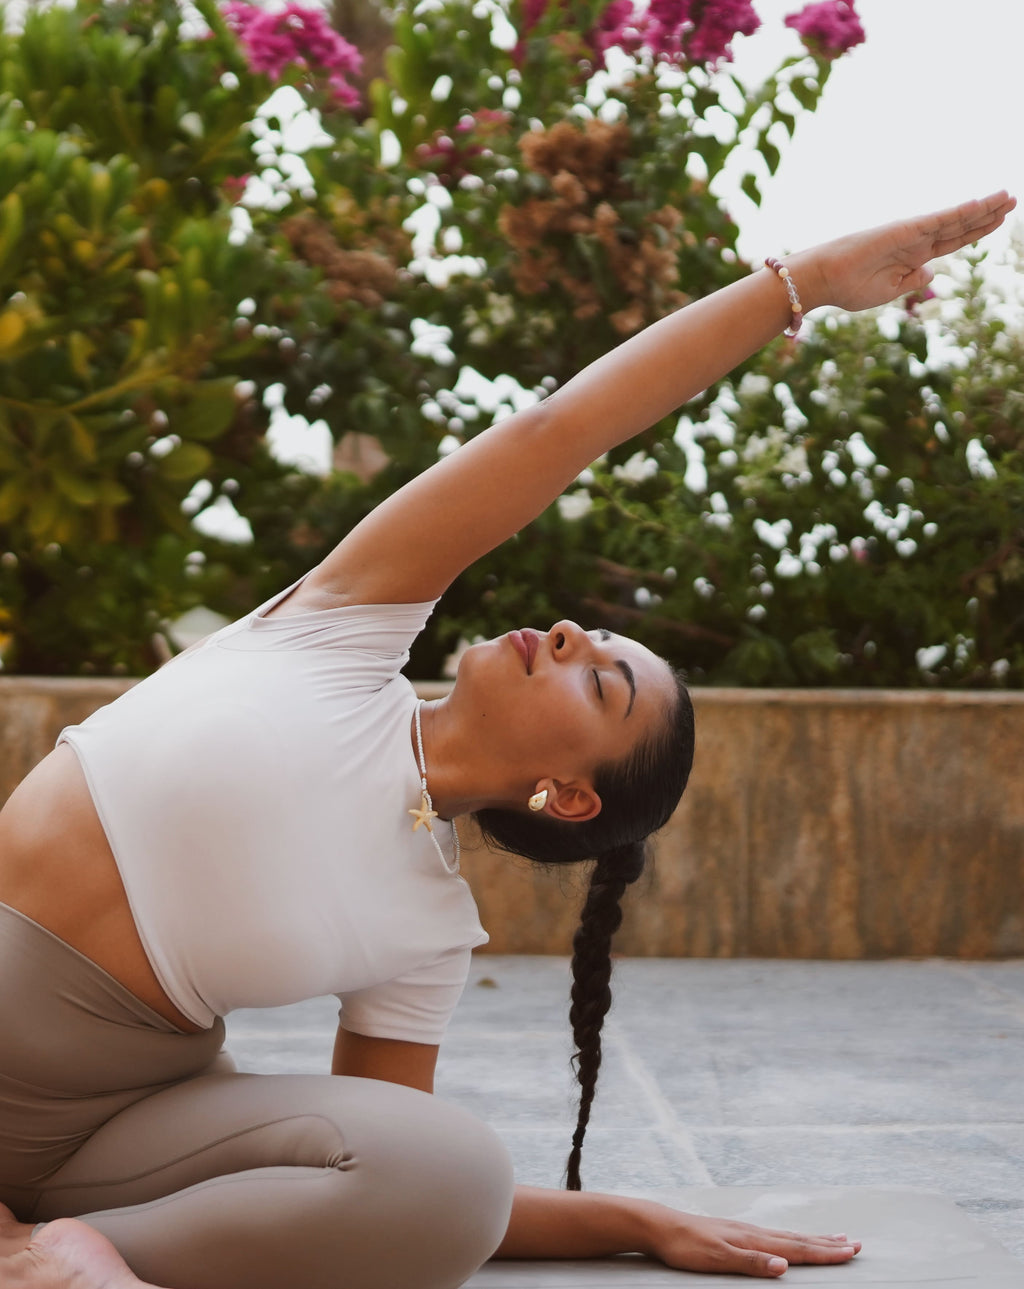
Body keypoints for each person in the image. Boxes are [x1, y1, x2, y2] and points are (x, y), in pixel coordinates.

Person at [0, 189, 1015, 1289]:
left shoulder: (426, 934)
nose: (573, 631)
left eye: (604, 680)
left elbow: (390, 1174)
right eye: (593, 634)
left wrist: (631, 1216)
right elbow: (564, 427)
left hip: (108, 1142)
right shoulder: (340, 631)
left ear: (567, 793)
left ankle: (58, 1261)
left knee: (452, 1170)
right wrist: (802, 283)